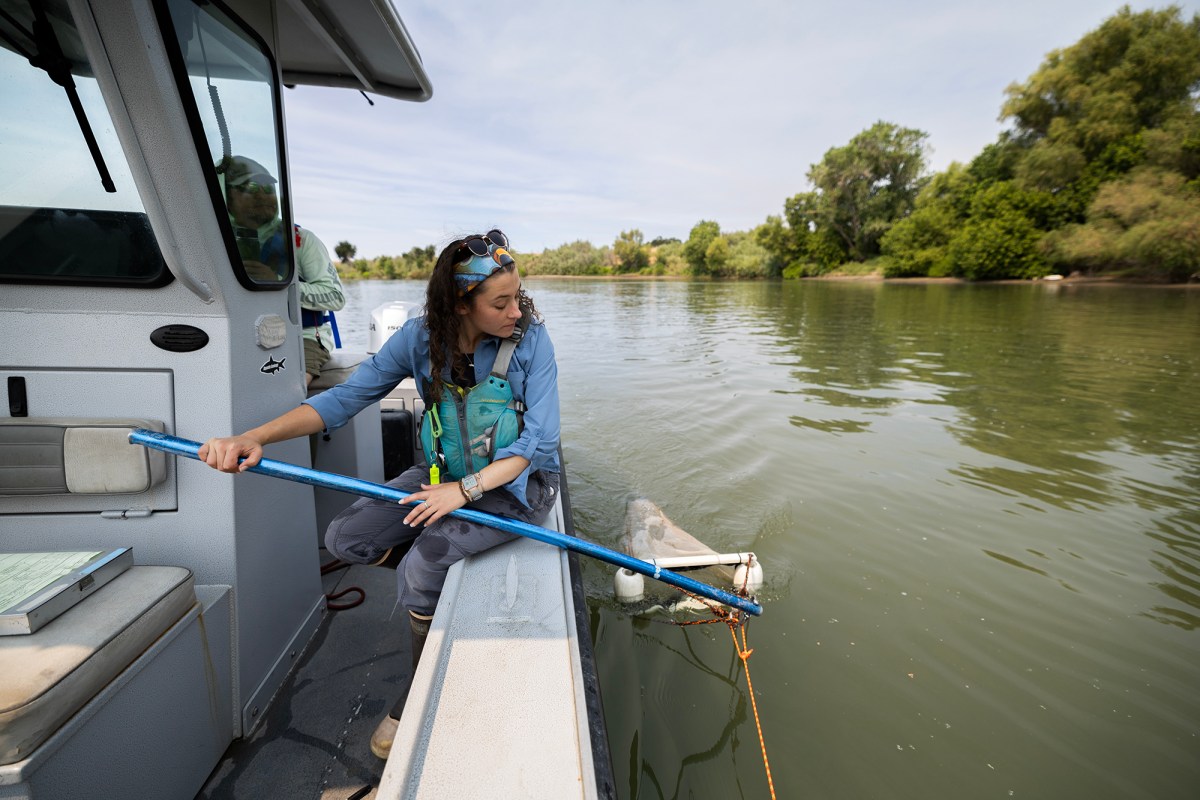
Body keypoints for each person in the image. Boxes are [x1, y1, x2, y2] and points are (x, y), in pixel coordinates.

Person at [197, 230, 562, 759]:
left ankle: (415, 694)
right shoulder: (418, 339)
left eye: (518, 297)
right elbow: (345, 398)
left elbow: (541, 441)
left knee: (423, 564)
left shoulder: (532, 341)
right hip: (441, 476)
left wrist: (465, 492)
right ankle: (435, 594)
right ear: (461, 304)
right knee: (347, 538)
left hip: (518, 486)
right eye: (500, 302)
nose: (516, 312)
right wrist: (253, 436)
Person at [222, 155, 346, 386]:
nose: (263, 195)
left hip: (303, 337)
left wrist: (279, 283)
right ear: (229, 196)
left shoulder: (302, 240)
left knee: (288, 390)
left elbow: (335, 297)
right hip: (238, 336)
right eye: (251, 187)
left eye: (268, 188)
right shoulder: (217, 241)